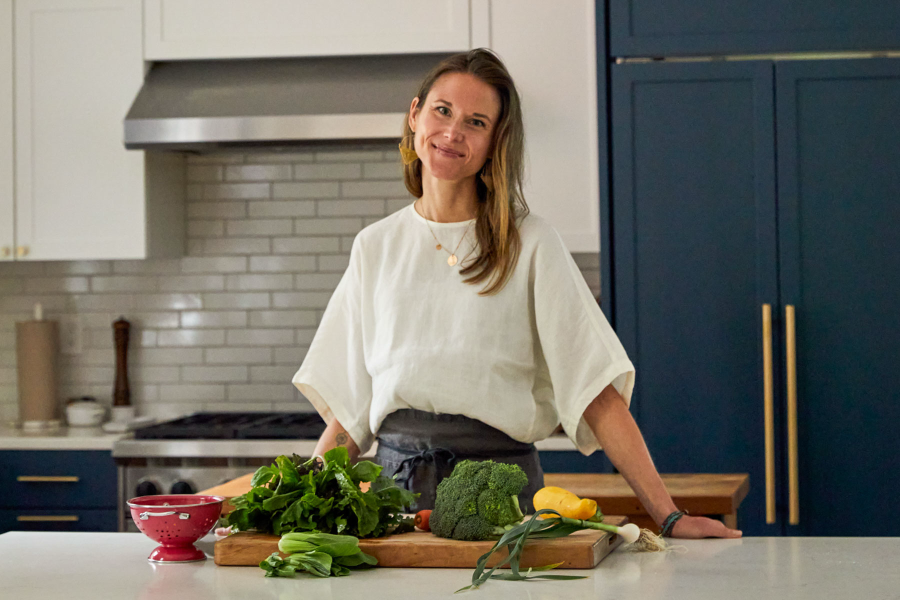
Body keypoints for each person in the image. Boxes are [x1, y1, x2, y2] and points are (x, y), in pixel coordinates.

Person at [293, 48, 741, 539]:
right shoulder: (374, 247)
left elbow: (596, 391)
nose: (452, 132)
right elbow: (352, 414)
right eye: (442, 111)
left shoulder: (530, 242)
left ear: (494, 143)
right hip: (396, 509)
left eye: (476, 122)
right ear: (415, 115)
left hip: (504, 505)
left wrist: (668, 515)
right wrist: (299, 499)